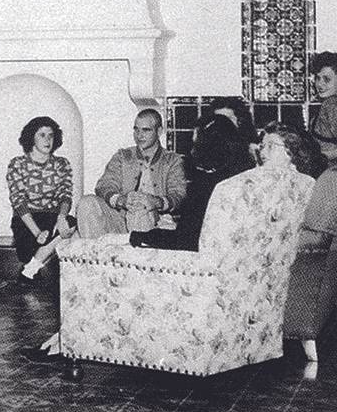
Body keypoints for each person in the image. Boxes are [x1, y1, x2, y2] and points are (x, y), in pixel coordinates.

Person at [22, 120, 315, 366]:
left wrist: (138, 237)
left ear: (290, 152)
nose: (261, 151)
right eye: (261, 144)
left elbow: (188, 239)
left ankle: (70, 340)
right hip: (238, 284)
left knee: (89, 258)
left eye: (269, 146)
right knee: (101, 225)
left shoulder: (227, 188)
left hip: (186, 269)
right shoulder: (299, 186)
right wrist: (124, 207)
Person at [130, 114, 253, 251]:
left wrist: (141, 236)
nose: (191, 150)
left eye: (195, 144)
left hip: (197, 260)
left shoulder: (205, 185)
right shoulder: (243, 177)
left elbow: (184, 241)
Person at [75, 108, 186, 241]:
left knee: (141, 207)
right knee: (87, 202)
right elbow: (104, 186)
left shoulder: (172, 160)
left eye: (146, 130)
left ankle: (137, 258)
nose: (139, 135)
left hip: (156, 223)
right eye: (136, 129)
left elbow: (178, 195)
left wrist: (155, 202)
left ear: (159, 131)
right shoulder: (123, 156)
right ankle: (95, 257)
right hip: (121, 219)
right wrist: (121, 200)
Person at [5, 116, 76, 284]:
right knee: (31, 245)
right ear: (32, 137)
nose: (47, 140)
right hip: (26, 219)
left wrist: (61, 217)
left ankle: (29, 270)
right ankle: (37, 260)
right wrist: (37, 232)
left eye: (51, 135)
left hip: (52, 216)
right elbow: (18, 201)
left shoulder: (62, 164)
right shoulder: (18, 164)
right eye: (42, 135)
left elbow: (65, 194)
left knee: (72, 223)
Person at [309, 51, 337, 166]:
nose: (319, 84)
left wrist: (320, 157)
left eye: (327, 79)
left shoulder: (331, 105)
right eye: (317, 78)